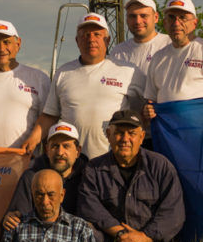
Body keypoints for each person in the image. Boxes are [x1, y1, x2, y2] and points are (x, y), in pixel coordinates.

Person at [22, 13, 145, 159]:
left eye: (97, 34)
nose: (91, 39)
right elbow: (50, 115)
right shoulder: (64, 72)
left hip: (113, 160)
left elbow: (144, 112)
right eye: (85, 35)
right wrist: (32, 139)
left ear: (107, 40)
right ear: (77, 41)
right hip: (72, 162)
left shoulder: (129, 71)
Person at [78, 110, 185, 242]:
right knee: (87, 230)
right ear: (108, 135)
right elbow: (89, 208)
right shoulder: (93, 169)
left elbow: (174, 214)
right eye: (119, 133)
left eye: (132, 133)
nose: (125, 139)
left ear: (141, 137)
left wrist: (141, 238)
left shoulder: (161, 166)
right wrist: (123, 236)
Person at [0, 169, 101, 242]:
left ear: (62, 195)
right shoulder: (17, 226)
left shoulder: (80, 228)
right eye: (39, 195)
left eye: (51, 195)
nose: (45, 202)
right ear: (32, 195)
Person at [143, 0, 203, 120]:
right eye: (171, 17)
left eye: (183, 18)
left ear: (195, 23)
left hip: (201, 133)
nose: (176, 23)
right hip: (168, 135)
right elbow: (151, 100)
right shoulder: (158, 57)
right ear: (165, 23)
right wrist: (148, 111)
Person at [110, 0, 171, 148]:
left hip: (166, 133)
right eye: (132, 16)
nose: (138, 21)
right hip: (130, 137)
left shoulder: (169, 44)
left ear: (156, 17)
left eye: (144, 15)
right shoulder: (118, 51)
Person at [2, 121, 88, 231]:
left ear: (78, 151)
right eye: (55, 146)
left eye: (66, 146)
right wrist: (11, 218)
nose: (60, 152)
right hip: (37, 237)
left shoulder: (87, 178)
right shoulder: (30, 177)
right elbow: (19, 215)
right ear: (47, 149)